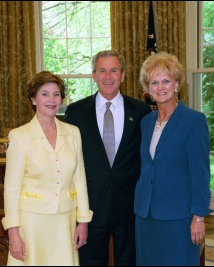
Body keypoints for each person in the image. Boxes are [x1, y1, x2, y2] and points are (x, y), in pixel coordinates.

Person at [65, 50, 151, 266]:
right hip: (91, 206)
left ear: (123, 75)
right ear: (94, 75)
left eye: (114, 70)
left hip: (129, 205)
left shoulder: (141, 111)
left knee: (129, 262)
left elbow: (146, 158)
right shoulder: (75, 112)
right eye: (102, 71)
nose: (108, 76)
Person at [1, 71, 93, 266]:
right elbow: (11, 188)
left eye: (56, 94)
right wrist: (13, 231)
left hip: (65, 222)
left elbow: (80, 179)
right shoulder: (19, 136)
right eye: (44, 94)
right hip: (31, 224)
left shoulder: (73, 133)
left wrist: (83, 221)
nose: (51, 99)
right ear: (33, 99)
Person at [134, 52, 214, 266]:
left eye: (166, 81)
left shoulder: (194, 121)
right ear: (148, 89)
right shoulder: (146, 122)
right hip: (145, 214)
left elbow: (200, 173)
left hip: (178, 216)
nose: (160, 87)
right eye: (154, 82)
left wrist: (198, 217)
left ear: (177, 84)